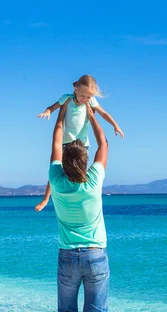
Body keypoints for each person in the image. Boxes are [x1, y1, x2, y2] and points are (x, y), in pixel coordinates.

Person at [48, 101, 110, 312]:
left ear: (64, 163)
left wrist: (61, 116)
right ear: (85, 162)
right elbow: (103, 144)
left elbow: (55, 142)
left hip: (68, 255)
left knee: (68, 310)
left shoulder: (57, 181)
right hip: (96, 255)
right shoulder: (94, 181)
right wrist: (93, 115)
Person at [35, 75, 122, 212]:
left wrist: (115, 125)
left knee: (79, 171)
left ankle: (81, 198)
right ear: (75, 89)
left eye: (88, 97)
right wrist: (47, 112)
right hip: (66, 142)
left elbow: (103, 113)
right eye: (83, 96)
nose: (85, 99)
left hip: (83, 145)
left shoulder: (91, 101)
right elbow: (52, 107)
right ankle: (46, 199)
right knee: (57, 170)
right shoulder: (67, 98)